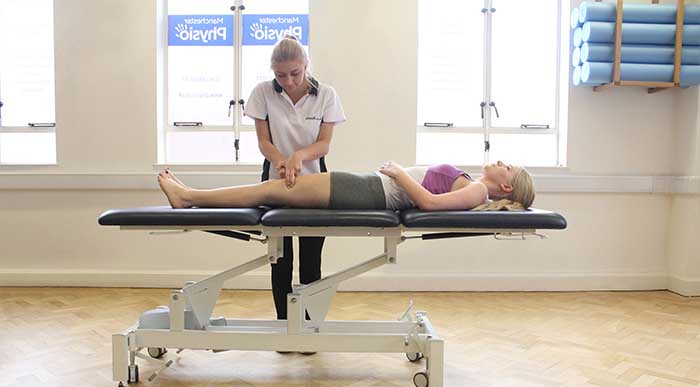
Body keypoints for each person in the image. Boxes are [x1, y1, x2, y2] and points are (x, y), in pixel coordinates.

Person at [243, 35, 346, 336]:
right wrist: (283, 162)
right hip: (276, 182)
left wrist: (299, 156)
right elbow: (264, 142)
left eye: (295, 73)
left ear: (306, 65)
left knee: (311, 261)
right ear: (272, 71)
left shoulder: (326, 94)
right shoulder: (262, 93)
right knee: (281, 260)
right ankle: (284, 327)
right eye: (280, 75)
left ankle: (310, 326)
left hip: (315, 182)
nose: (288, 81)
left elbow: (324, 144)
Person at [157, 160, 536, 213]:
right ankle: (188, 195)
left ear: (505, 186)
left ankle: (187, 197)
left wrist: (401, 173)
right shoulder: (476, 186)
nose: (501, 161)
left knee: (268, 191)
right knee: (269, 191)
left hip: (371, 191)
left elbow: (430, 204)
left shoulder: (480, 191)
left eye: (508, 166)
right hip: (370, 188)